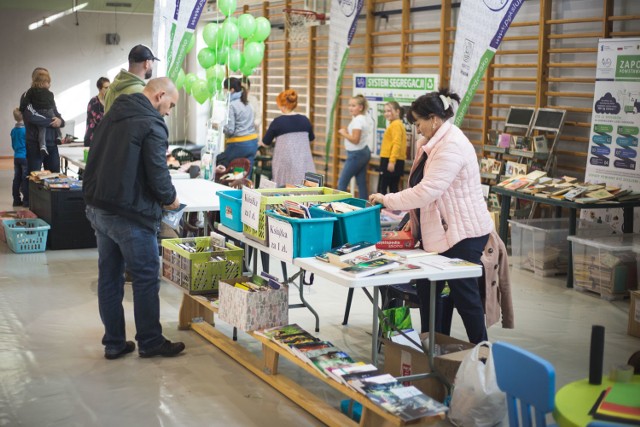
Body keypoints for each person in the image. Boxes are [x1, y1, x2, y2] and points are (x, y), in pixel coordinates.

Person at [368, 88, 494, 344]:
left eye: (418, 122)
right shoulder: (433, 142)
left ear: (434, 119)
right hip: (442, 233)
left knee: (464, 296)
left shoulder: (452, 146)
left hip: (464, 234)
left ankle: (482, 354)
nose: (417, 128)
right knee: (429, 289)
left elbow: (426, 191)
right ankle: (432, 345)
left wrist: (387, 200)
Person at [83, 77, 185, 359]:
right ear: (160, 95)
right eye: (171, 105)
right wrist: (170, 198)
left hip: (99, 207)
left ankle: (114, 343)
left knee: (110, 276)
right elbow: (157, 172)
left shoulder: (112, 112)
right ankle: (151, 341)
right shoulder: (151, 123)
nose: (168, 111)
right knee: (145, 277)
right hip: (129, 213)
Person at [259, 89, 315, 186]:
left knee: (284, 191)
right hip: (304, 163)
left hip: (285, 165)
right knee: (306, 192)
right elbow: (311, 139)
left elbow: (266, 142)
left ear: (282, 105)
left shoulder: (278, 122)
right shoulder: (305, 120)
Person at [20, 69, 64, 183]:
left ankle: (52, 201)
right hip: (35, 144)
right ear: (36, 79)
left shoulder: (49, 96)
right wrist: (51, 122)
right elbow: (30, 116)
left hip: (52, 143)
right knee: (33, 177)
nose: (47, 82)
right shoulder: (27, 95)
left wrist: (60, 121)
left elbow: (55, 113)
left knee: (55, 177)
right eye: (43, 77)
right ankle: (28, 201)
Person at [103, 44, 159, 113]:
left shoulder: (110, 89)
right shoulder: (143, 93)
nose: (152, 66)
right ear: (146, 63)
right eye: (152, 62)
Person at [221, 77, 258, 176]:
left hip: (239, 144)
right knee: (244, 173)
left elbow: (230, 130)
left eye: (224, 89)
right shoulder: (247, 102)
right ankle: (245, 188)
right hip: (253, 143)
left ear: (231, 90)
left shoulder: (232, 105)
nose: (224, 92)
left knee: (221, 162)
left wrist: (220, 126)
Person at [337, 94, 372, 200]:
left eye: (353, 106)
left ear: (360, 107)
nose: (350, 108)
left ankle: (340, 208)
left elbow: (355, 140)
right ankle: (365, 208)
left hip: (356, 154)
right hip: (363, 152)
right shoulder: (362, 118)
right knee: (361, 184)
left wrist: (343, 133)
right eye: (349, 105)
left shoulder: (358, 120)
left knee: (342, 183)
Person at [378, 101, 407, 194]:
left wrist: (392, 161)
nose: (386, 113)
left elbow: (396, 143)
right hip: (394, 160)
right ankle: (391, 208)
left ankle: (380, 208)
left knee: (382, 189)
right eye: (385, 111)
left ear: (397, 111)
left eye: (389, 111)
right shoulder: (395, 124)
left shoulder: (396, 124)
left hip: (390, 160)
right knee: (393, 188)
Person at [84, 77, 110, 146]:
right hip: (92, 139)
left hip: (102, 138)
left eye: (109, 87)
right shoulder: (94, 101)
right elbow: (99, 120)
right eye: (106, 87)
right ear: (100, 89)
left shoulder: (108, 101)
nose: (108, 90)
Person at [11, 108, 27, 207]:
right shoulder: (26, 130)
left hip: (16, 157)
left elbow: (13, 145)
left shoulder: (13, 131)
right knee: (25, 178)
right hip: (25, 157)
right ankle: (26, 201)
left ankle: (16, 200)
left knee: (16, 179)